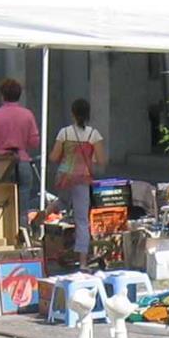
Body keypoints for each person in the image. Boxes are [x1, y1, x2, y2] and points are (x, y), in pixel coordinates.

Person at [49, 98, 106, 263]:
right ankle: (82, 262)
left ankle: (40, 217)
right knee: (82, 220)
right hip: (82, 178)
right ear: (88, 114)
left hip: (64, 177)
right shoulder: (93, 135)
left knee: (62, 202)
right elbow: (102, 160)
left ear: (72, 114)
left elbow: (53, 156)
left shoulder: (64, 133)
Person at [0, 78, 41, 209]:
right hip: (22, 160)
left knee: (2, 204)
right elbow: (34, 142)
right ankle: (23, 227)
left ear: (2, 96)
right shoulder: (27, 115)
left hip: (1, 163)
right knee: (23, 204)